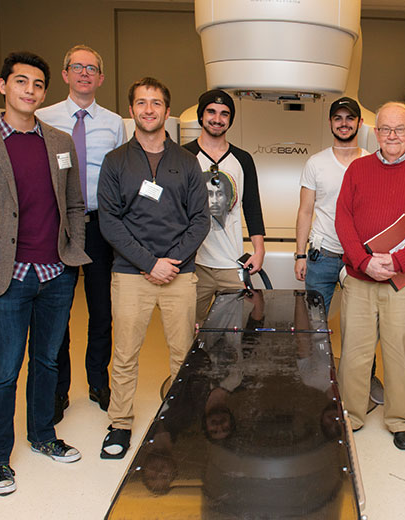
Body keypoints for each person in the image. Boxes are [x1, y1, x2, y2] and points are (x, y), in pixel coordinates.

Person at [0, 51, 91, 495]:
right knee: (5, 369)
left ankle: (43, 436)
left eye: (37, 84)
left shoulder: (59, 142)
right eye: (21, 82)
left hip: (55, 273)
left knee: (48, 361)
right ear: (3, 86)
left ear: (44, 92)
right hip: (5, 276)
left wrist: (73, 251)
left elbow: (73, 202)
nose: (29, 90)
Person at [97, 77, 209, 459]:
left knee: (183, 355)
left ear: (166, 111)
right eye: (142, 103)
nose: (149, 109)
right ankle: (120, 424)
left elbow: (200, 220)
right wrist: (149, 263)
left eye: (156, 103)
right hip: (131, 274)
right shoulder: (115, 162)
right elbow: (109, 222)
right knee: (125, 354)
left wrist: (170, 263)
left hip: (179, 274)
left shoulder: (187, 162)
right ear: (131, 110)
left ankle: (181, 419)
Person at [335, 101, 405, 450]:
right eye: (385, 129)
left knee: (400, 353)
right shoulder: (357, 169)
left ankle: (400, 419)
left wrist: (398, 263)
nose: (392, 136)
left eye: (400, 129)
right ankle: (350, 414)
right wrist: (364, 262)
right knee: (355, 352)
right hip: (361, 278)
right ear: (375, 131)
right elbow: (343, 220)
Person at [37, 44, 127, 422]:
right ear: (65, 74)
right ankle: (59, 389)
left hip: (98, 225)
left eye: (92, 68)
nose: (85, 73)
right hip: (56, 226)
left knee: (101, 311)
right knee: (56, 311)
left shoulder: (114, 122)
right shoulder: (43, 116)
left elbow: (122, 175)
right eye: (77, 66)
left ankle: (98, 381)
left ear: (101, 78)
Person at [293, 96, 383, 405]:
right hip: (323, 256)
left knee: (363, 328)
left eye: (350, 118)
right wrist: (300, 254)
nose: (344, 123)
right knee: (315, 325)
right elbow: (305, 211)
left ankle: (364, 380)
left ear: (360, 123)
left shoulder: (373, 161)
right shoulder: (316, 163)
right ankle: (318, 382)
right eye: (338, 118)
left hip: (361, 259)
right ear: (331, 123)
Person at [183, 90, 265, 325]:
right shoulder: (183, 156)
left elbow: (252, 207)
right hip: (193, 263)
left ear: (230, 119)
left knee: (233, 334)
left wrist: (259, 250)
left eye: (224, 114)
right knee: (189, 331)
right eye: (211, 112)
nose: (217, 119)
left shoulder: (243, 159)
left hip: (230, 263)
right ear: (201, 116)